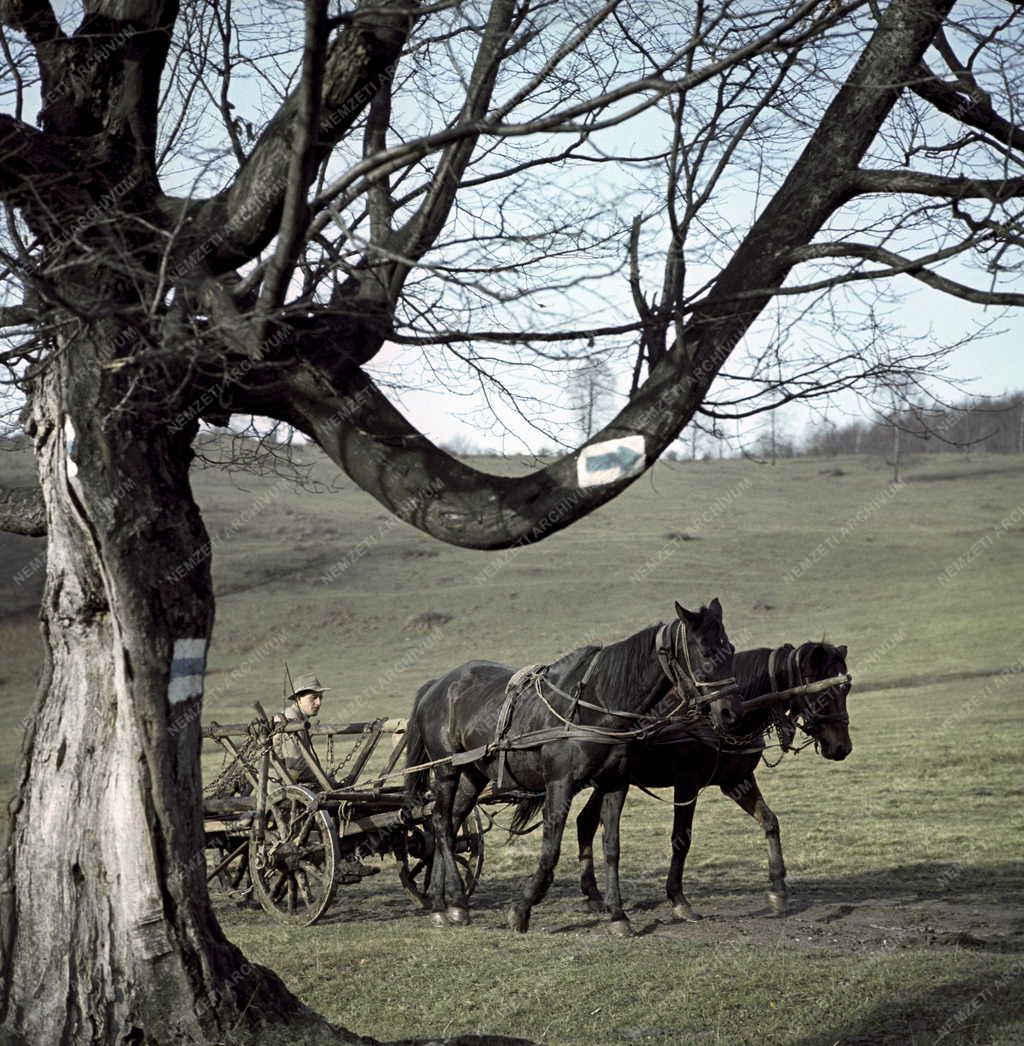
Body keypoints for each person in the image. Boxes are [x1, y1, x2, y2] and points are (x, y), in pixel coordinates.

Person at [271, 672, 378, 881]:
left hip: (298, 784)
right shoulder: (289, 721)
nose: (319, 702)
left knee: (349, 800)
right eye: (313, 698)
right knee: (342, 802)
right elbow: (297, 767)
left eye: (320, 698)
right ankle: (342, 863)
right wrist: (330, 783)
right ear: (299, 698)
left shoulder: (298, 719)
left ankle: (347, 859)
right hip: (284, 787)